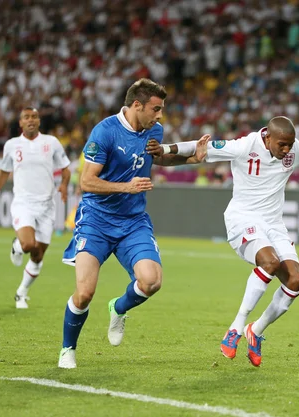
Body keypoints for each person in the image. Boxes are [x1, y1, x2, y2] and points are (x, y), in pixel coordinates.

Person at [163, 116, 299, 367]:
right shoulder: (245, 146)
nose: (287, 150)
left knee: (296, 280)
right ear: (267, 137)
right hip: (242, 219)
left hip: (273, 224)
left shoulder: (295, 150)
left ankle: (254, 331)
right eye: (282, 144)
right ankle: (235, 327)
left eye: (290, 144)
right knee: (270, 262)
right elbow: (198, 147)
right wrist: (164, 150)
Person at [58, 78, 206, 369]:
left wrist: (192, 159)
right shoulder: (105, 132)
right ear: (137, 105)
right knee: (85, 292)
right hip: (96, 220)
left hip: (133, 222)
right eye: (156, 109)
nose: (160, 115)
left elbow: (155, 161)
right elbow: (86, 181)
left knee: (152, 281)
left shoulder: (154, 130)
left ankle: (119, 308)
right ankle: (67, 349)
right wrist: (126, 187)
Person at [0, 107, 71, 309]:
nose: (31, 120)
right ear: (20, 123)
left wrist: (64, 185)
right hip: (24, 204)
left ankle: (21, 292)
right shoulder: (12, 145)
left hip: (47, 206)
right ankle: (17, 245)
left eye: (34, 117)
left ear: (39, 121)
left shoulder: (51, 143)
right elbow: (4, 173)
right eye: (26, 117)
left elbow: (65, 169)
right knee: (28, 245)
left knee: (37, 256)